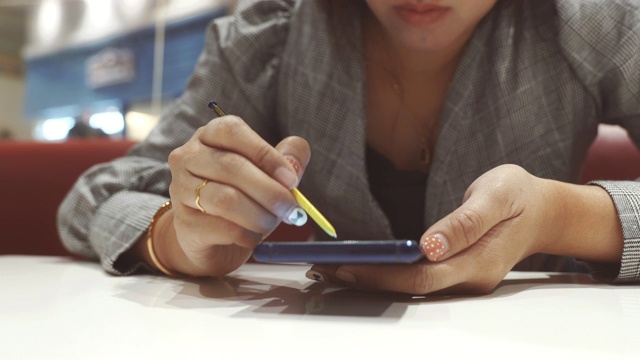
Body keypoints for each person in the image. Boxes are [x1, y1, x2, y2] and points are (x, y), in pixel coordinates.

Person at [58, 0, 640, 295]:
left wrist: (563, 218)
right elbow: (94, 197)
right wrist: (177, 237)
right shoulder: (275, 31)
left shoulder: (590, 23)